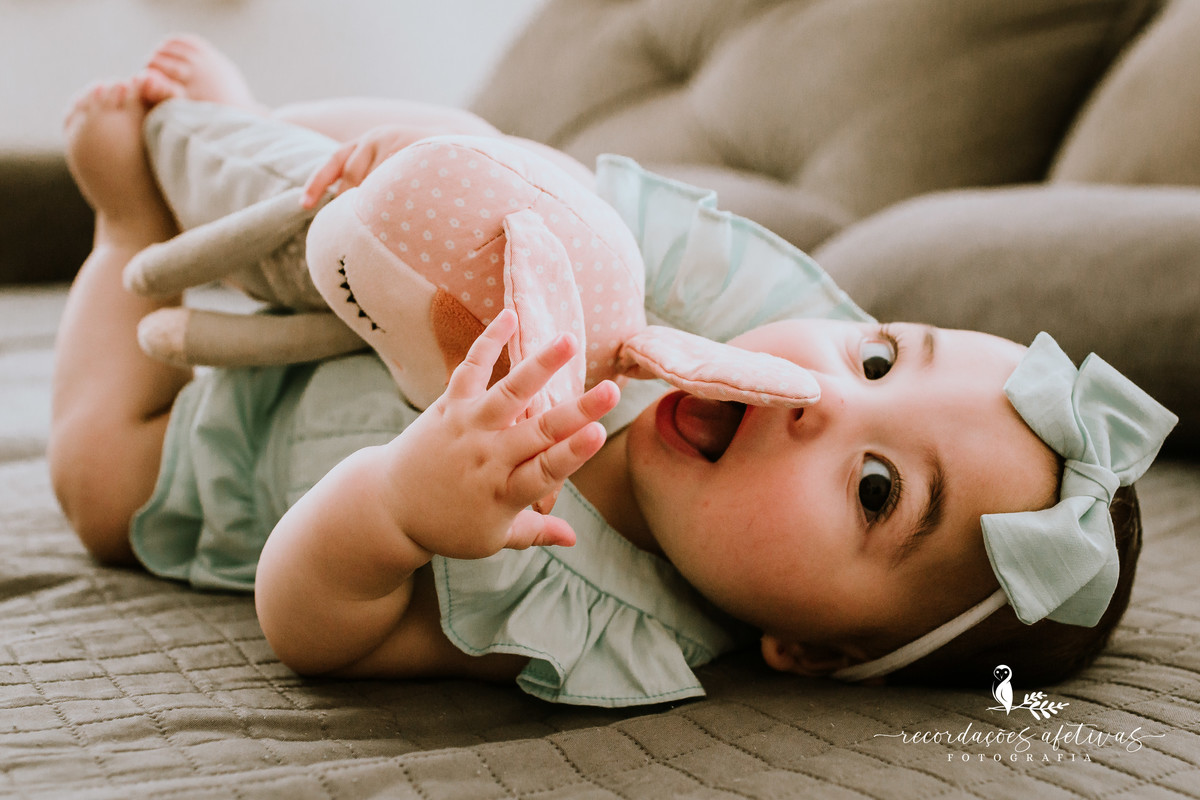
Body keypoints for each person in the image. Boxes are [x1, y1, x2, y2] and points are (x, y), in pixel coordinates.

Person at [49, 36, 1177, 707]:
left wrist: (398, 509)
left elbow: (314, 626)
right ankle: (237, 149)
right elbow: (544, 195)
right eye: (878, 354)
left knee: (98, 486)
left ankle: (119, 227)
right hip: (353, 296)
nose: (821, 397)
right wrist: (438, 161)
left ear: (812, 648)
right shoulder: (695, 303)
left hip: (227, 465)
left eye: (876, 487)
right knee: (452, 154)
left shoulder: (607, 621)